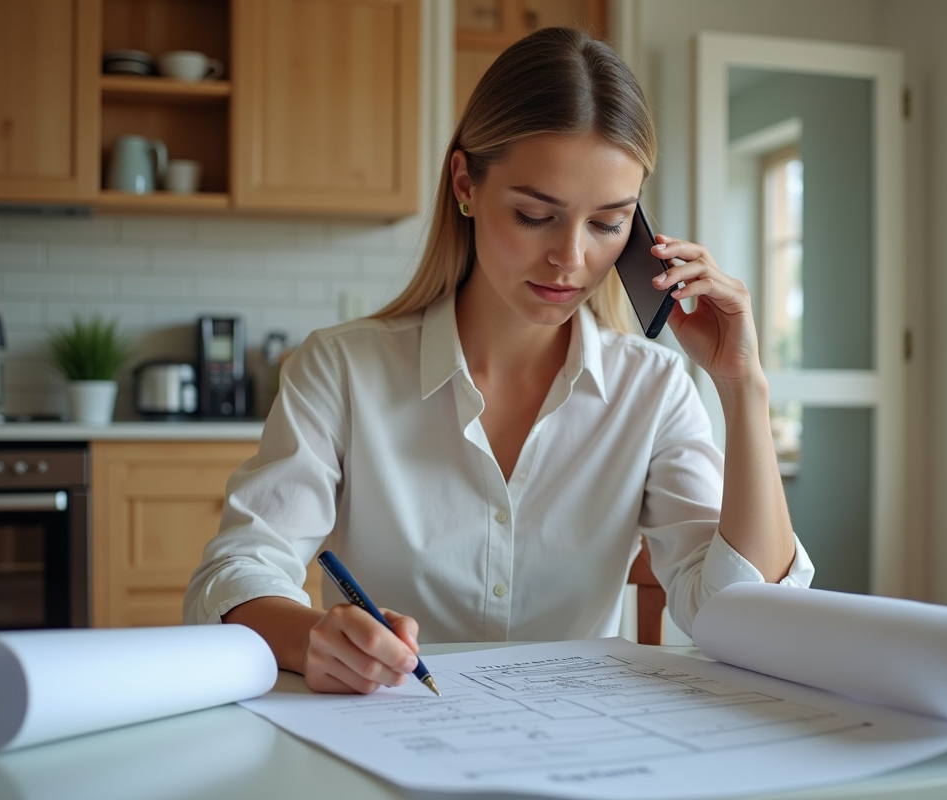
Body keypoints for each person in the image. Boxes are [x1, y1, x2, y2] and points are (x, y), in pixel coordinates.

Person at [183, 26, 813, 694]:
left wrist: (743, 387)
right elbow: (235, 571)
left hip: (579, 752)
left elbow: (741, 617)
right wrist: (313, 638)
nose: (571, 259)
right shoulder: (339, 371)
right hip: (392, 737)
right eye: (535, 214)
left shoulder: (654, 391)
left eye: (607, 223)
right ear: (465, 184)